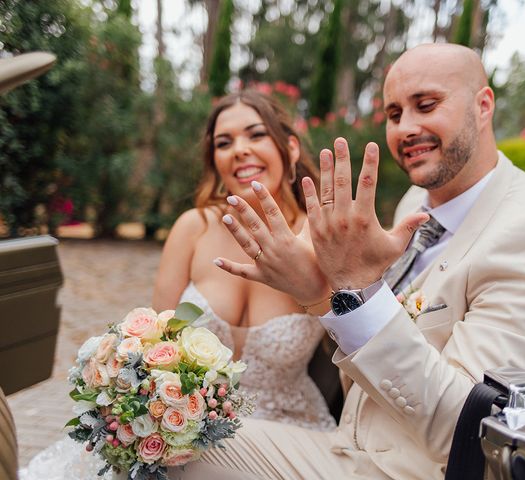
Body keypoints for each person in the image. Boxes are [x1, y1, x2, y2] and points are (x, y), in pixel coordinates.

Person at [170, 43, 525, 479]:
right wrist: (320, 294)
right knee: (178, 442)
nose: (406, 128)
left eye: (426, 105)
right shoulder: (419, 204)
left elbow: (464, 428)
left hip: (412, 470)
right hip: (350, 445)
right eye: (394, 115)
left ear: (483, 105)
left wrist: (337, 291)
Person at [20, 91, 336, 480]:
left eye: (256, 135)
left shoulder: (322, 237)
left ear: (289, 148)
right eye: (224, 142)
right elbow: (152, 346)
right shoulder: (194, 228)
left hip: (291, 435)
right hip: (188, 436)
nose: (239, 150)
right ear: (214, 161)